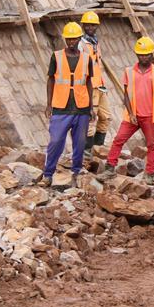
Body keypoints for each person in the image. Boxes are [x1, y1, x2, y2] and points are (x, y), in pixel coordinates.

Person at [103, 37, 154, 185]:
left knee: (152, 145)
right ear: (136, 54)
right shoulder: (129, 71)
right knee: (119, 139)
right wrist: (131, 113)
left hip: (150, 116)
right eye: (140, 54)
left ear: (151, 54)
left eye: (146, 54)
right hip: (132, 116)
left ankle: (150, 174)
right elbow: (126, 95)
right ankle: (109, 168)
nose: (143, 57)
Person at [39, 22, 94, 188]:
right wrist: (49, 104)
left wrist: (91, 107)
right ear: (65, 39)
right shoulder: (56, 56)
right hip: (61, 107)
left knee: (79, 143)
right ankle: (48, 174)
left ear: (79, 39)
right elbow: (51, 80)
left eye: (74, 39)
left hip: (81, 108)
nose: (71, 42)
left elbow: (89, 82)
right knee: (55, 141)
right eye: (68, 39)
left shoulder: (86, 58)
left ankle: (76, 172)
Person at [79, 11, 110, 159]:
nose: (90, 27)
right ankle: (87, 153)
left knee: (105, 117)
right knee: (91, 120)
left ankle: (98, 149)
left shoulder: (95, 42)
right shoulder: (81, 44)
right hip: (89, 87)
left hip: (100, 86)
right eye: (88, 25)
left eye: (93, 25)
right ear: (83, 25)